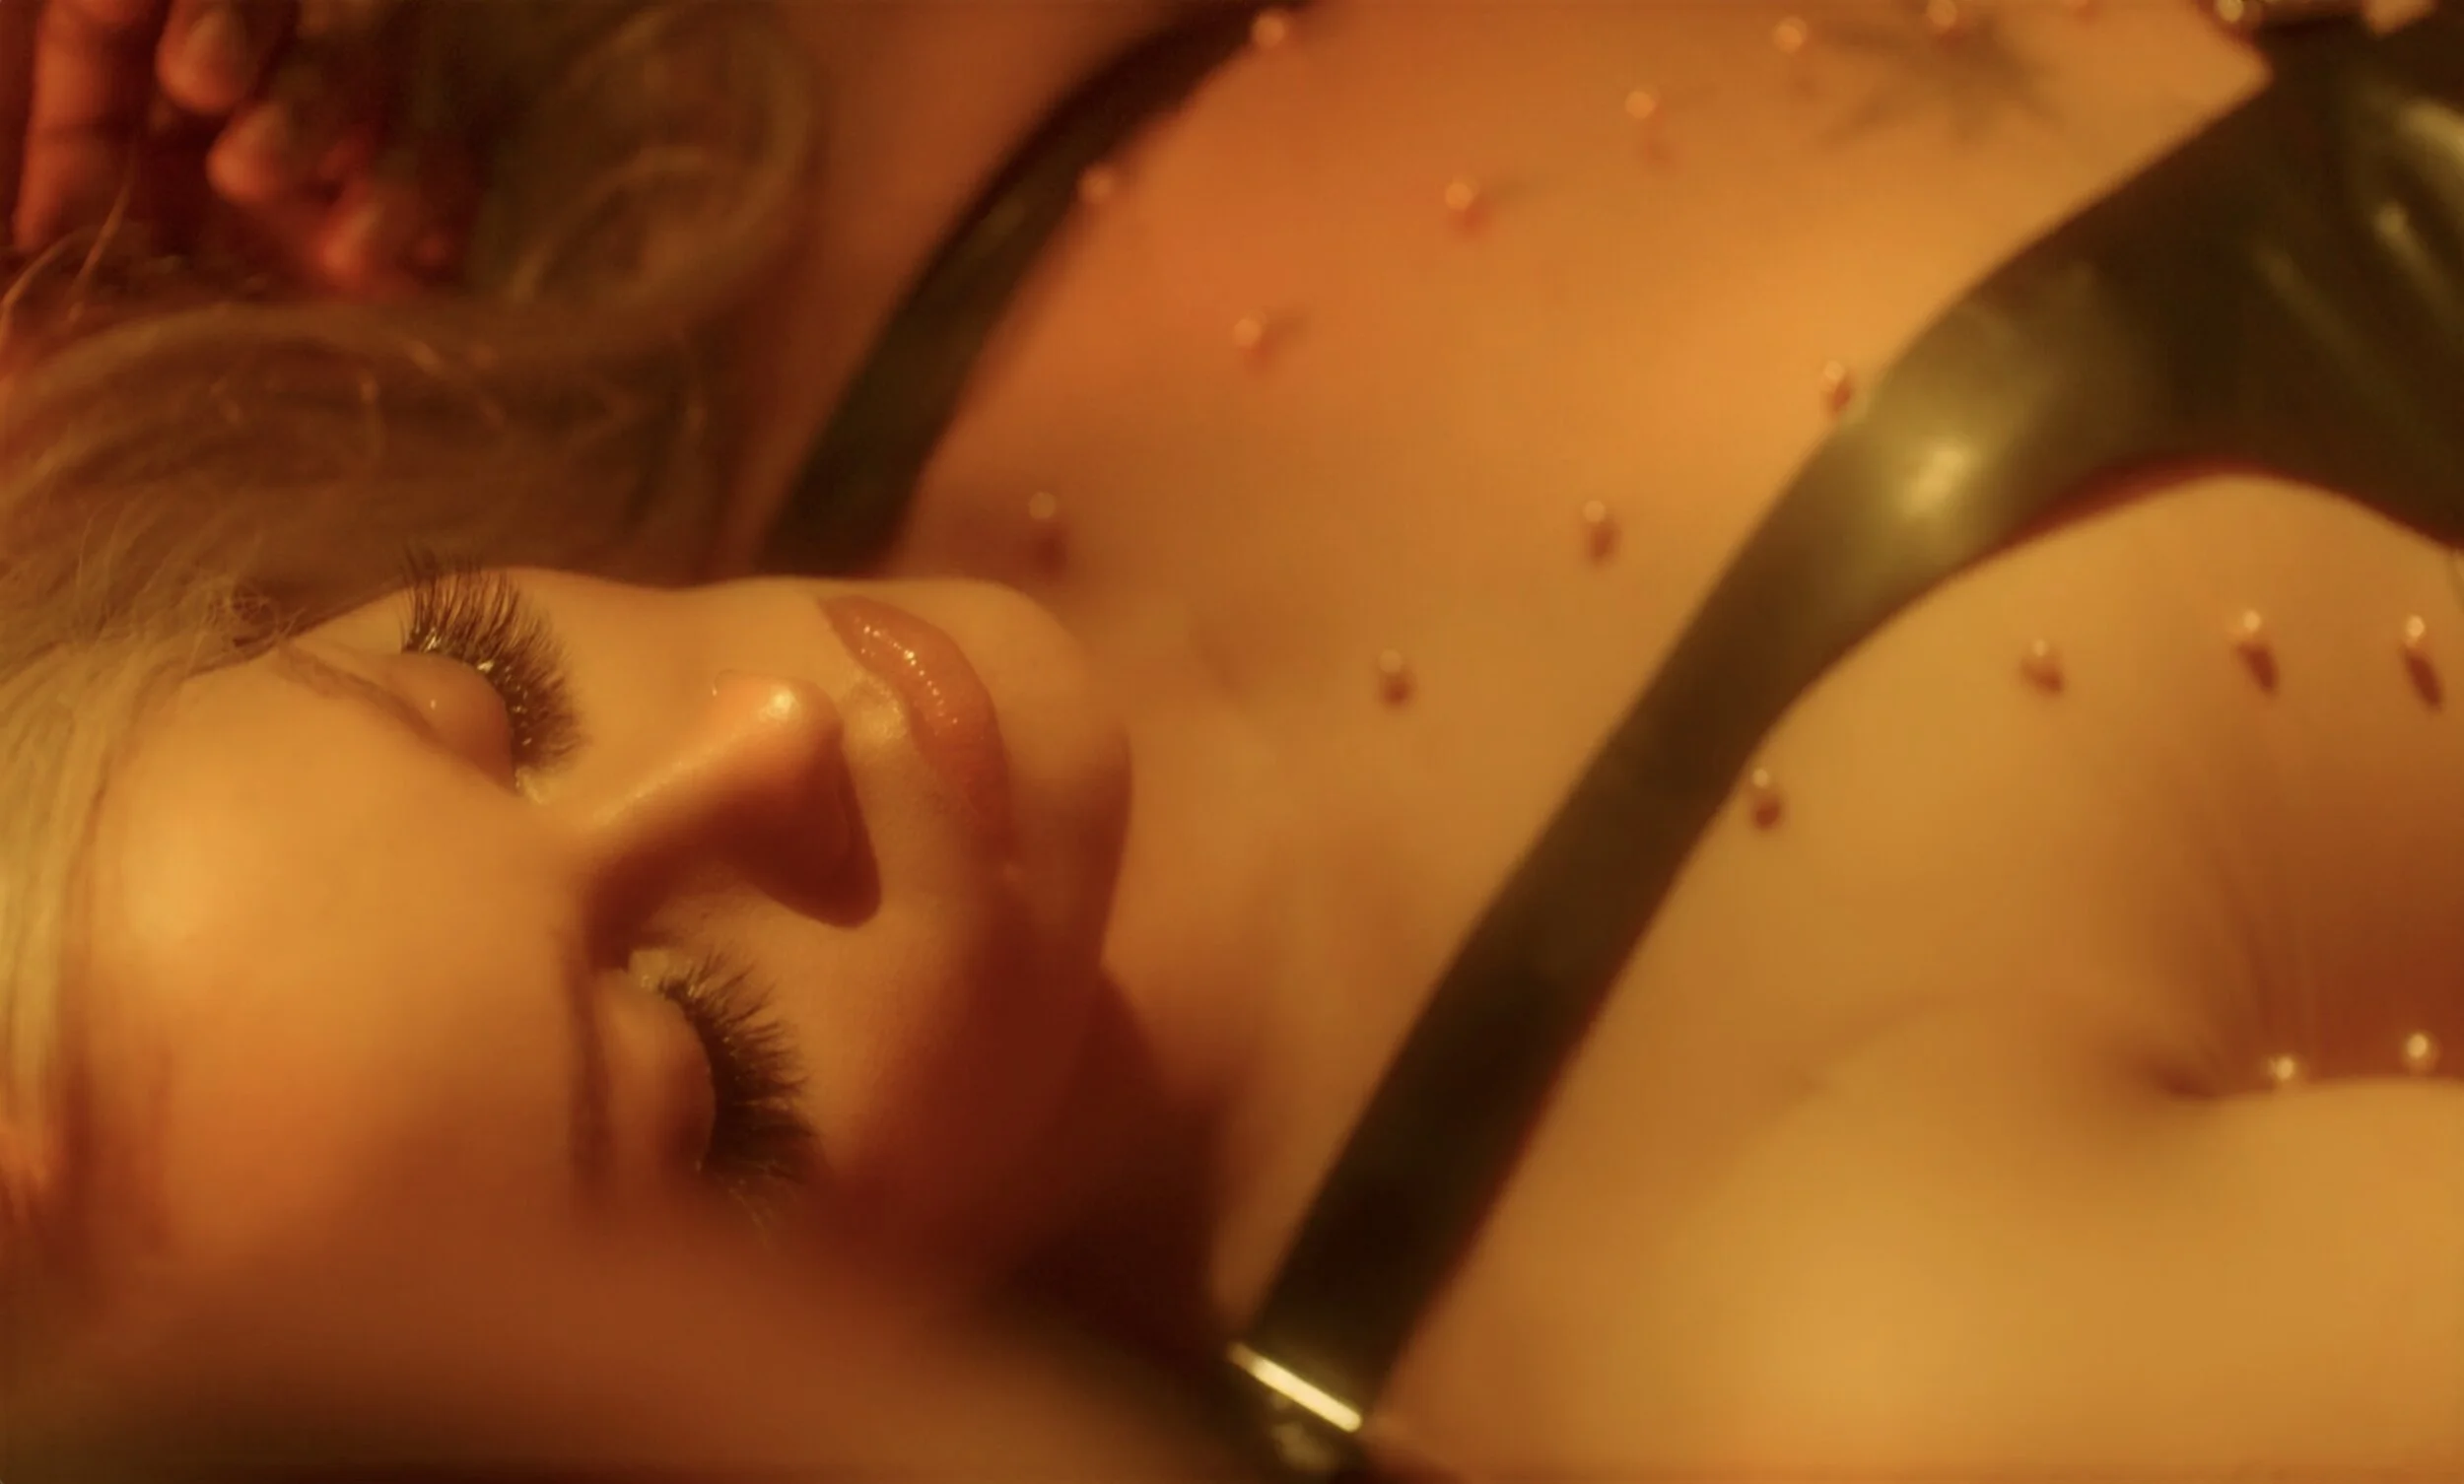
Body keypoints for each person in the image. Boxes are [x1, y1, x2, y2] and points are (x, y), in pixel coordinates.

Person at [7, 0, 2464, 1477]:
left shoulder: (801, 223)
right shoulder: (1796, 1360)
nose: (765, 728)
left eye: (486, 693)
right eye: (689, 1062)